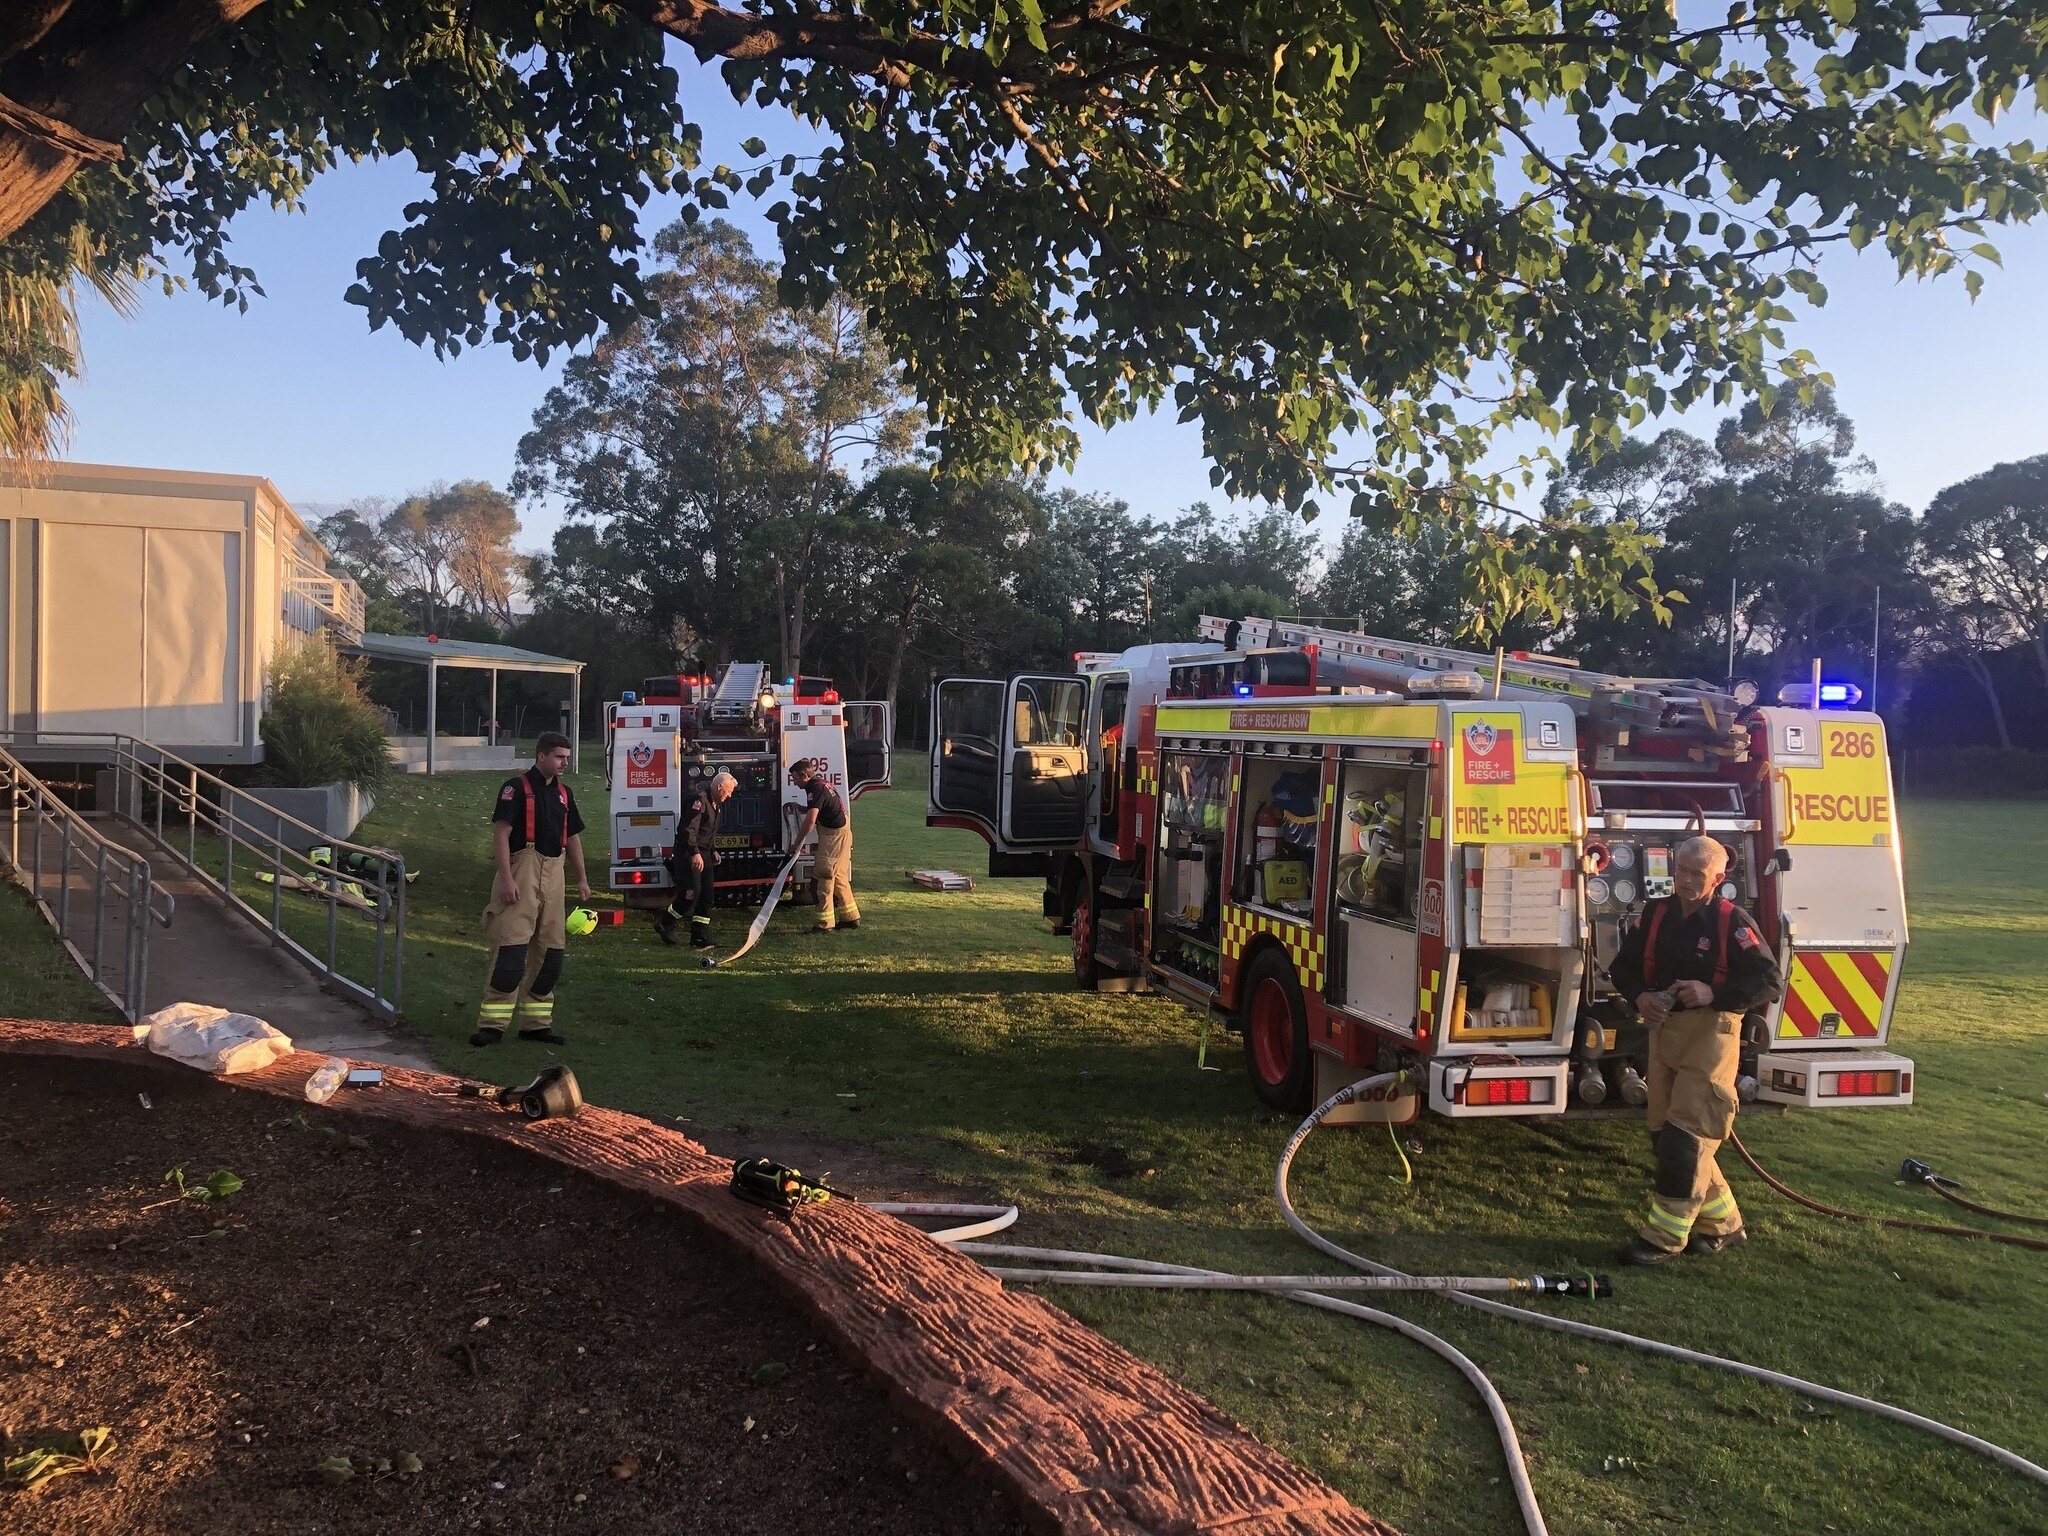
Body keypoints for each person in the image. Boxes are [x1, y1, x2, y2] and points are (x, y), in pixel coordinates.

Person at [1608, 836, 1782, 1265]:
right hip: (1664, 1032)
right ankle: (1723, 1225)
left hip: (1711, 1037)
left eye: (1696, 874)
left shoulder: (1732, 921)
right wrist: (1640, 996)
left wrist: (1714, 991)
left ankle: (1662, 1240)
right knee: (1665, 1136)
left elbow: (1771, 982)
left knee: (1686, 1139)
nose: (1684, 880)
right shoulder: (1658, 913)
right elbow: (1623, 967)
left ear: (1719, 878)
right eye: (1679, 870)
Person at [474, 732, 590, 1047]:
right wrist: (507, 879)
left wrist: (581, 878)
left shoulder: (565, 794)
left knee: (551, 955)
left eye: (567, 756)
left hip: (555, 874)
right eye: (559, 757)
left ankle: (536, 1025)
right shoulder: (515, 789)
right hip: (521, 871)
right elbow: (500, 835)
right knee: (511, 954)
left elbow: (573, 838)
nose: (565, 762)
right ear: (541, 756)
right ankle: (492, 1027)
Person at [655, 770, 737, 949]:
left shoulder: (716, 803)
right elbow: (688, 830)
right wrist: (694, 853)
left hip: (705, 854)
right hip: (689, 853)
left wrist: (713, 850)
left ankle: (699, 936)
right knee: (690, 894)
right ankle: (666, 922)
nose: (730, 796)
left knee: (707, 896)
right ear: (719, 786)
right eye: (728, 791)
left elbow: (707, 831)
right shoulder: (699, 801)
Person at [788, 759, 859, 933]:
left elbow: (811, 822)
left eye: (795, 779)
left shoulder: (815, 789)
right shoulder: (821, 784)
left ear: (805, 776)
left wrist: (796, 844)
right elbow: (822, 807)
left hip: (833, 837)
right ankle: (851, 918)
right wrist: (804, 808)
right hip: (842, 832)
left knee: (823, 877)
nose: (795, 783)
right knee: (840, 877)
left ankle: (824, 925)